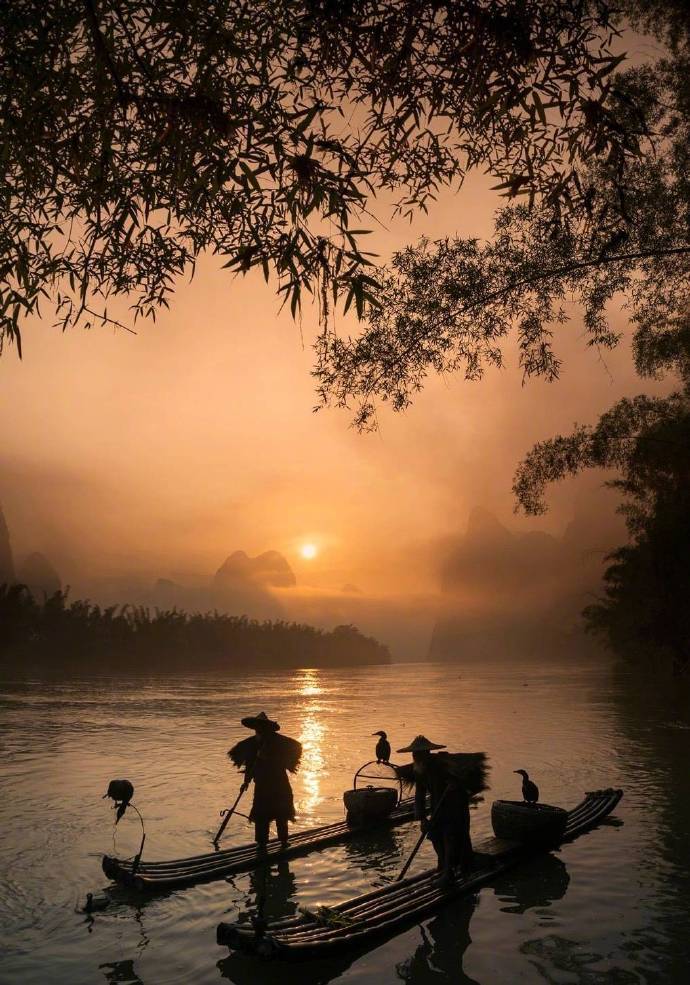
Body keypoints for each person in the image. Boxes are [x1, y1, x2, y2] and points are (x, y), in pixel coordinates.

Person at [396, 735, 488, 885]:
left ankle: (448, 873)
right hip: (437, 806)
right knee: (434, 835)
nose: (415, 757)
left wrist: (455, 784)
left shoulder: (443, 764)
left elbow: (462, 781)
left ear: (427, 754)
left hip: (455, 806)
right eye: (414, 754)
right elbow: (419, 795)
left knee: (449, 837)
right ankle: (442, 867)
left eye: (418, 754)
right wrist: (422, 819)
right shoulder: (419, 770)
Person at [228, 711, 302, 849]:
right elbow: (250, 765)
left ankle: (283, 842)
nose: (259, 729)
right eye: (257, 727)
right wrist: (246, 782)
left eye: (261, 727)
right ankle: (261, 845)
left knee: (282, 813)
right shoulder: (251, 744)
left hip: (280, 784)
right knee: (261, 815)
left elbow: (296, 748)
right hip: (262, 786)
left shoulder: (279, 742)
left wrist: (268, 758)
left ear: (267, 728)